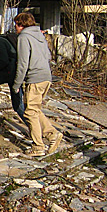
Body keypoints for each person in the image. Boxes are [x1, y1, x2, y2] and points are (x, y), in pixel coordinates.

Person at [11, 12, 63, 156]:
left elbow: (22, 63)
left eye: (16, 24)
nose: (15, 28)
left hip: (35, 78)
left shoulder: (23, 37)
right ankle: (52, 134)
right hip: (46, 77)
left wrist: (17, 84)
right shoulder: (40, 36)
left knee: (29, 113)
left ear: (21, 25)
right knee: (35, 110)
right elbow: (48, 56)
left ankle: (38, 147)